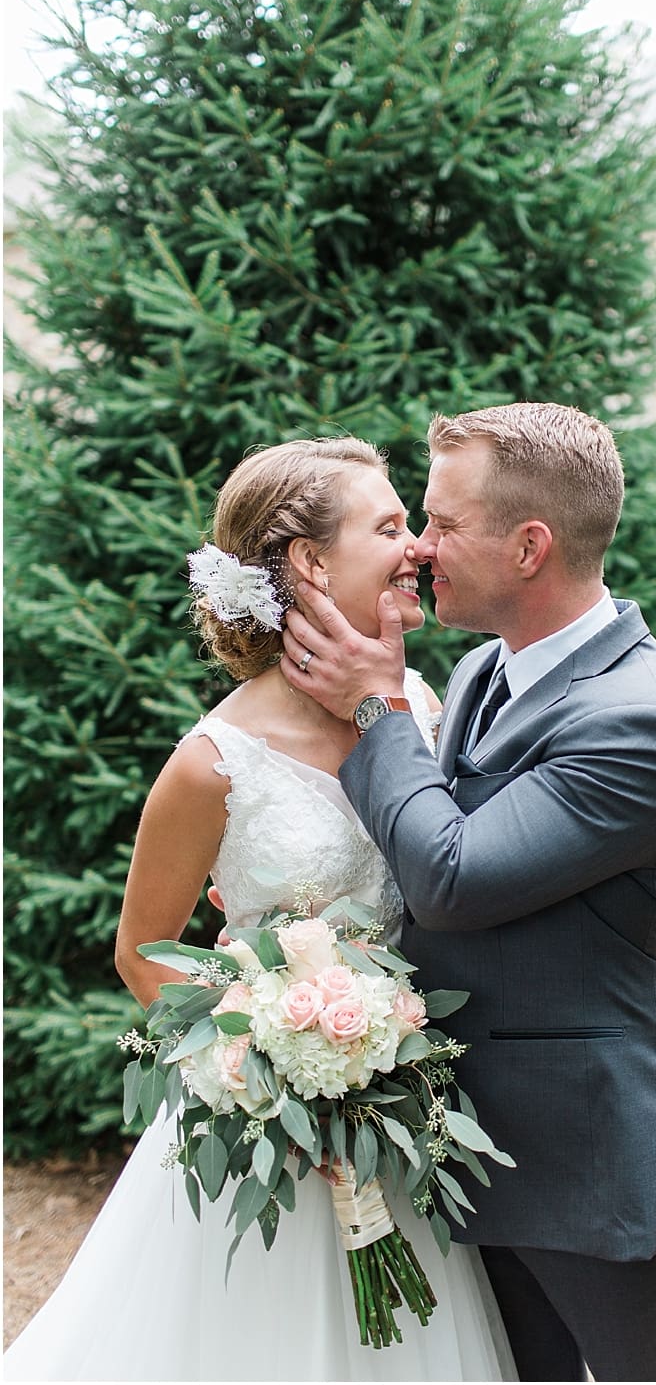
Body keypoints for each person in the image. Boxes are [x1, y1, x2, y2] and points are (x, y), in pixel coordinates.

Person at [4, 438, 515, 1380]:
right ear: (312, 564)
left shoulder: (422, 707)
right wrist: (264, 1062)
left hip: (407, 1119)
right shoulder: (212, 763)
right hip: (268, 1137)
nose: (417, 548)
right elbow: (143, 954)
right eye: (390, 526)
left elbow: (476, 874)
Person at [278, 402, 656, 1382]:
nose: (421, 550)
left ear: (530, 546)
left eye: (442, 523)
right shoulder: (487, 666)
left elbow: (450, 874)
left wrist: (376, 702)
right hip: (474, 1143)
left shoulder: (638, 720)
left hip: (593, 1156)